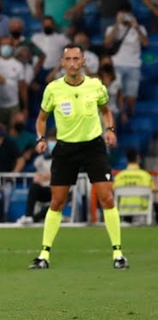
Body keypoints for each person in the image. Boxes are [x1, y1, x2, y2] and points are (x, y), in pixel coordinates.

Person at [29, 44, 128, 270]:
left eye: (76, 59)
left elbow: (106, 111)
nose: (73, 63)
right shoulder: (53, 89)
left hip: (93, 147)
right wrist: (41, 138)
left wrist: (110, 130)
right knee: (57, 202)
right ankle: (44, 255)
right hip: (65, 149)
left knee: (107, 199)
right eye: (68, 59)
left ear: (83, 61)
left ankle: (118, 254)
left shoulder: (95, 86)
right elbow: (42, 118)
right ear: (62, 63)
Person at [17, 129, 57, 225]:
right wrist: (38, 177)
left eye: (55, 140)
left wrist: (52, 176)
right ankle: (28, 216)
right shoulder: (41, 160)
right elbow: (34, 172)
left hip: (59, 190)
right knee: (34, 186)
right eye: (51, 140)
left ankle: (34, 219)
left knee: (56, 203)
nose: (52, 143)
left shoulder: (65, 158)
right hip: (46, 189)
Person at [113, 148, 156, 224]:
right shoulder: (146, 176)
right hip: (143, 209)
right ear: (138, 158)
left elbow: (112, 190)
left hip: (123, 209)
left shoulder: (119, 176)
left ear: (126, 159)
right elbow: (153, 190)